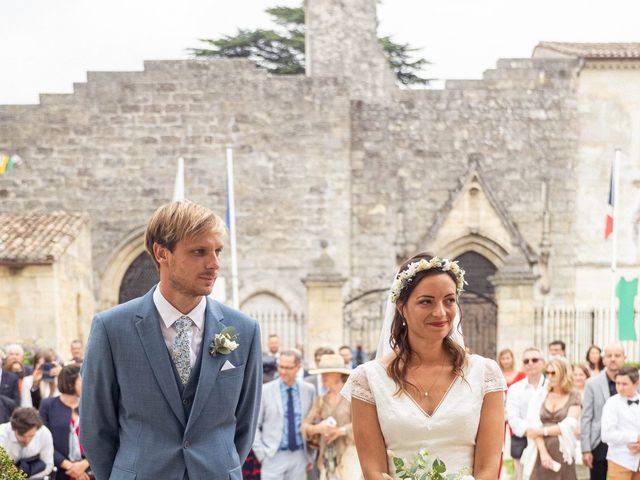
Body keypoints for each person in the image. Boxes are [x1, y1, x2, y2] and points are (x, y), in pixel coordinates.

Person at [80, 201, 262, 480]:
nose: (213, 264)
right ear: (162, 253)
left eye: (217, 251)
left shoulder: (244, 330)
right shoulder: (111, 328)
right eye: (199, 252)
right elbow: (96, 429)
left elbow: (245, 425)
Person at [343, 253, 506, 479]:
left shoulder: (485, 374)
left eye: (449, 300)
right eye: (426, 301)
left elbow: (488, 469)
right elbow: (374, 470)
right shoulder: (368, 380)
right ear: (401, 307)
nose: (440, 312)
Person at [253, 350, 316, 480]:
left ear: (298, 368)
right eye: (280, 367)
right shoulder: (265, 390)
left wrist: (311, 456)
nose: (283, 371)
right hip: (273, 455)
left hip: (300, 455)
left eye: (288, 368)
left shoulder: (309, 390)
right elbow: (254, 426)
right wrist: (262, 455)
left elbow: (313, 424)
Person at [302, 354, 362, 479]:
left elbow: (362, 424)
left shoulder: (353, 397)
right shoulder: (321, 400)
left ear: (338, 374)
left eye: (327, 373)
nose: (323, 377)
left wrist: (340, 431)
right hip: (327, 459)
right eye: (322, 373)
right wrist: (319, 428)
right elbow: (304, 427)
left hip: (350, 456)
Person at [521, 356, 581, 479]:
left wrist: (542, 431)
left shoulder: (574, 395)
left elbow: (569, 425)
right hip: (539, 452)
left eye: (553, 373)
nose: (549, 376)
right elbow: (533, 425)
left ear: (563, 373)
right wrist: (544, 454)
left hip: (563, 454)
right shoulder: (540, 394)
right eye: (547, 372)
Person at [581, 343, 626, 480]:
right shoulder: (592, 383)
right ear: (603, 359)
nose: (613, 359)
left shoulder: (636, 381)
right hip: (599, 442)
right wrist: (586, 449)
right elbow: (586, 417)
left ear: (624, 358)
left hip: (625, 443)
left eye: (617, 355)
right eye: (609, 356)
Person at [40, 364, 91, 480]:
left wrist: (84, 464)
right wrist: (71, 467)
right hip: (60, 470)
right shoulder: (47, 405)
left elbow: (100, 439)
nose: (86, 384)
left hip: (89, 470)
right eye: (82, 380)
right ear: (70, 384)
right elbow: (43, 441)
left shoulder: (91, 406)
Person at [601, 366, 640, 480]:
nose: (620, 388)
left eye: (624, 384)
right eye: (617, 383)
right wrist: (635, 437)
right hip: (619, 460)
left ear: (636, 383)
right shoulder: (611, 403)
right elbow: (606, 435)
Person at [0, 407, 54, 479]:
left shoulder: (44, 433)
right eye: (22, 435)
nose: (27, 440)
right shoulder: (2, 435)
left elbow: (48, 465)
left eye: (31, 436)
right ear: (13, 428)